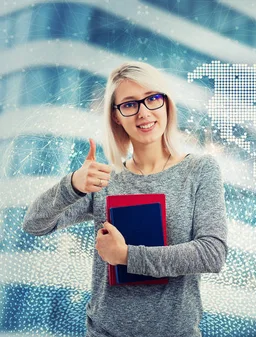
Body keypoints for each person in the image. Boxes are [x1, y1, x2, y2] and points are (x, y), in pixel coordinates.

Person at [21, 61, 228, 337]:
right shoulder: (104, 181)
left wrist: (127, 256)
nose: (143, 112)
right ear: (116, 116)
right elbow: (34, 224)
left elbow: (212, 254)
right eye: (130, 104)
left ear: (166, 103)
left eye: (152, 99)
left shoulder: (200, 170)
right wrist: (72, 185)